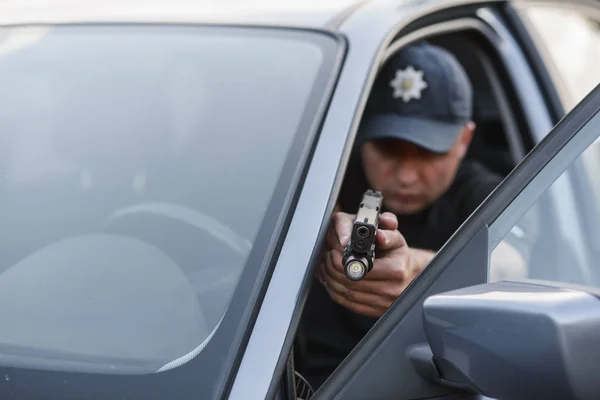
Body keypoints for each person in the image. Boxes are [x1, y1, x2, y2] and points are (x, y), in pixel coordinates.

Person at [294, 42, 533, 389]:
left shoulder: (491, 196)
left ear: (464, 140)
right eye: (388, 149)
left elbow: (510, 265)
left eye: (428, 152)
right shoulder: (320, 189)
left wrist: (420, 272)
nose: (406, 175)